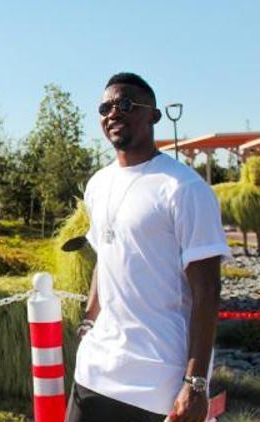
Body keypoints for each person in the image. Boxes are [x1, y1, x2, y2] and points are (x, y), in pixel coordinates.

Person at [67, 73, 230, 422]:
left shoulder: (184, 189)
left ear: (153, 116)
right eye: (105, 107)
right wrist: (88, 324)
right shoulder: (98, 184)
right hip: (96, 370)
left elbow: (208, 290)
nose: (113, 112)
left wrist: (196, 383)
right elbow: (104, 257)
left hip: (159, 379)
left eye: (125, 104)